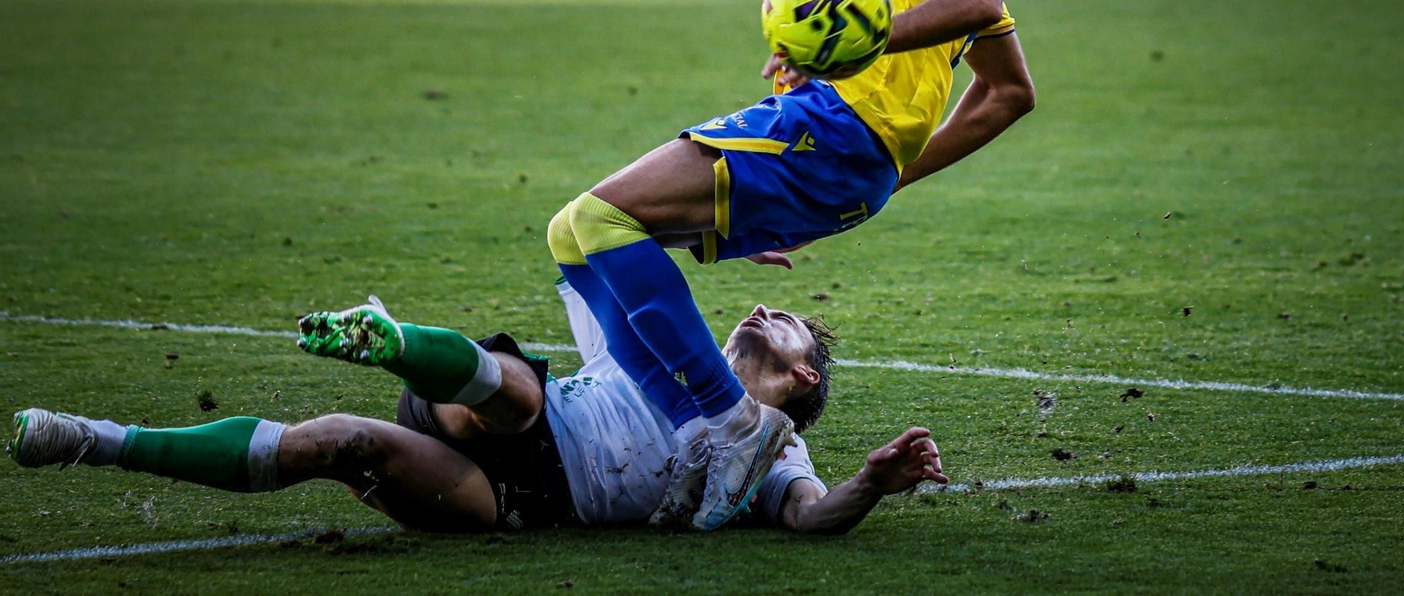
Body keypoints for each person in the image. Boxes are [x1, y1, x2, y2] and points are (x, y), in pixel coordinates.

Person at [546, 0, 1030, 532]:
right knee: (573, 235)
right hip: (844, 146)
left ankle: (728, 421)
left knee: (601, 219)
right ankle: (701, 433)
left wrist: (857, 56)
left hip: (837, 127)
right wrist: (881, 174)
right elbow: (1006, 90)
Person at [8, 285, 947, 535]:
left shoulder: (772, 449)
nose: (756, 310)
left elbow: (812, 515)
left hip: (513, 501)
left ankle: (86, 441)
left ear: (803, 379)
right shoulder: (669, 349)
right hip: (511, 416)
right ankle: (396, 341)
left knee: (337, 441)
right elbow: (619, 237)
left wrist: (869, 478)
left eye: (779, 323)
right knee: (515, 394)